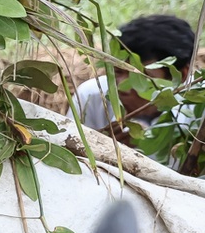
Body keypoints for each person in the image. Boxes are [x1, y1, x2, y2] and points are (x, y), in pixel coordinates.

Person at [72, 13, 200, 166]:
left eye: (139, 76)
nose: (120, 86)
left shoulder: (200, 113)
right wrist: (97, 149)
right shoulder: (91, 96)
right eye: (117, 71)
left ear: (180, 75)